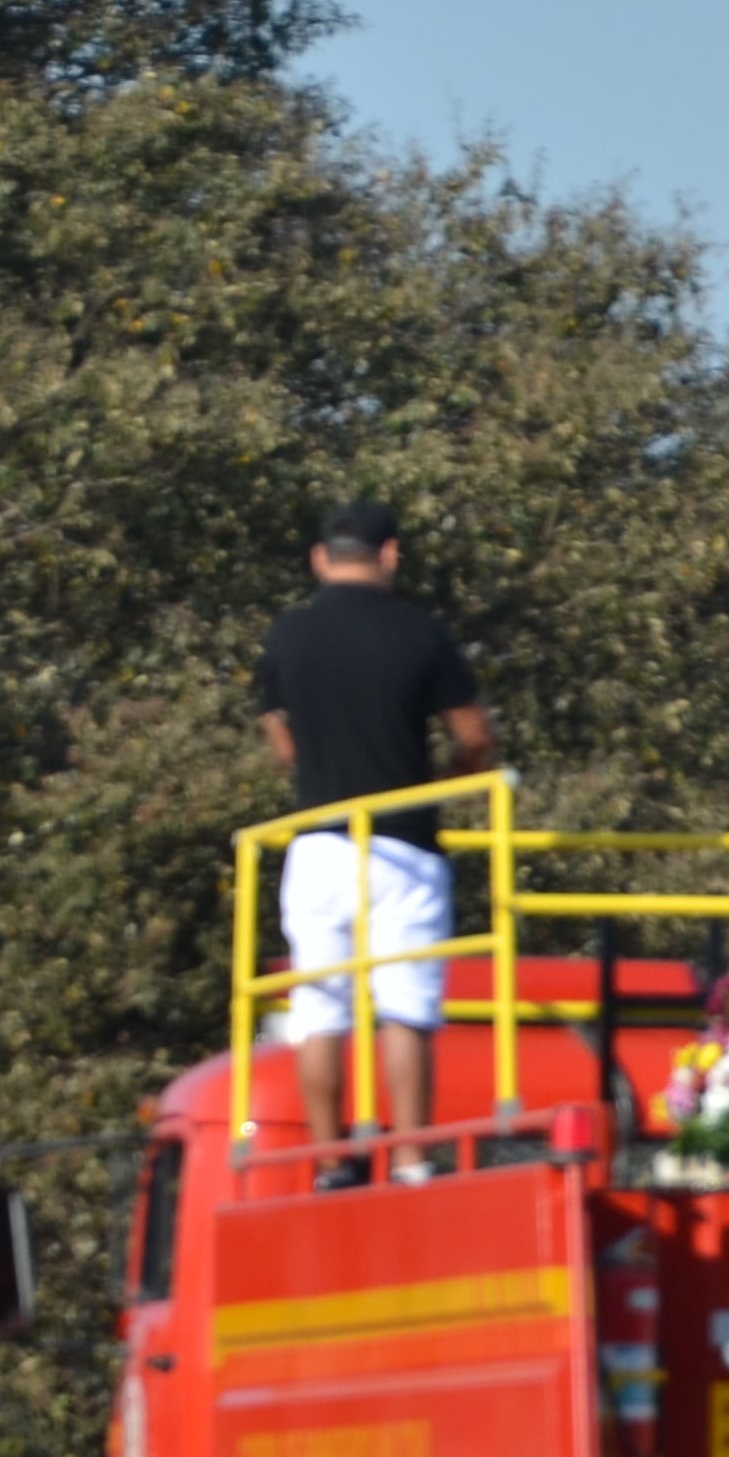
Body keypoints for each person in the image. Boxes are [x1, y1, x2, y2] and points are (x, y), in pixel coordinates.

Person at [252, 499, 492, 1173]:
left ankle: (331, 1162)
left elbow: (282, 744)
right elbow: (474, 736)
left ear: (320, 559)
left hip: (318, 843)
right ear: (390, 555)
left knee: (320, 1008)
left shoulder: (286, 636)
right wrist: (450, 775)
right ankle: (411, 1159)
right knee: (406, 1008)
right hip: (403, 844)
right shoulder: (422, 634)